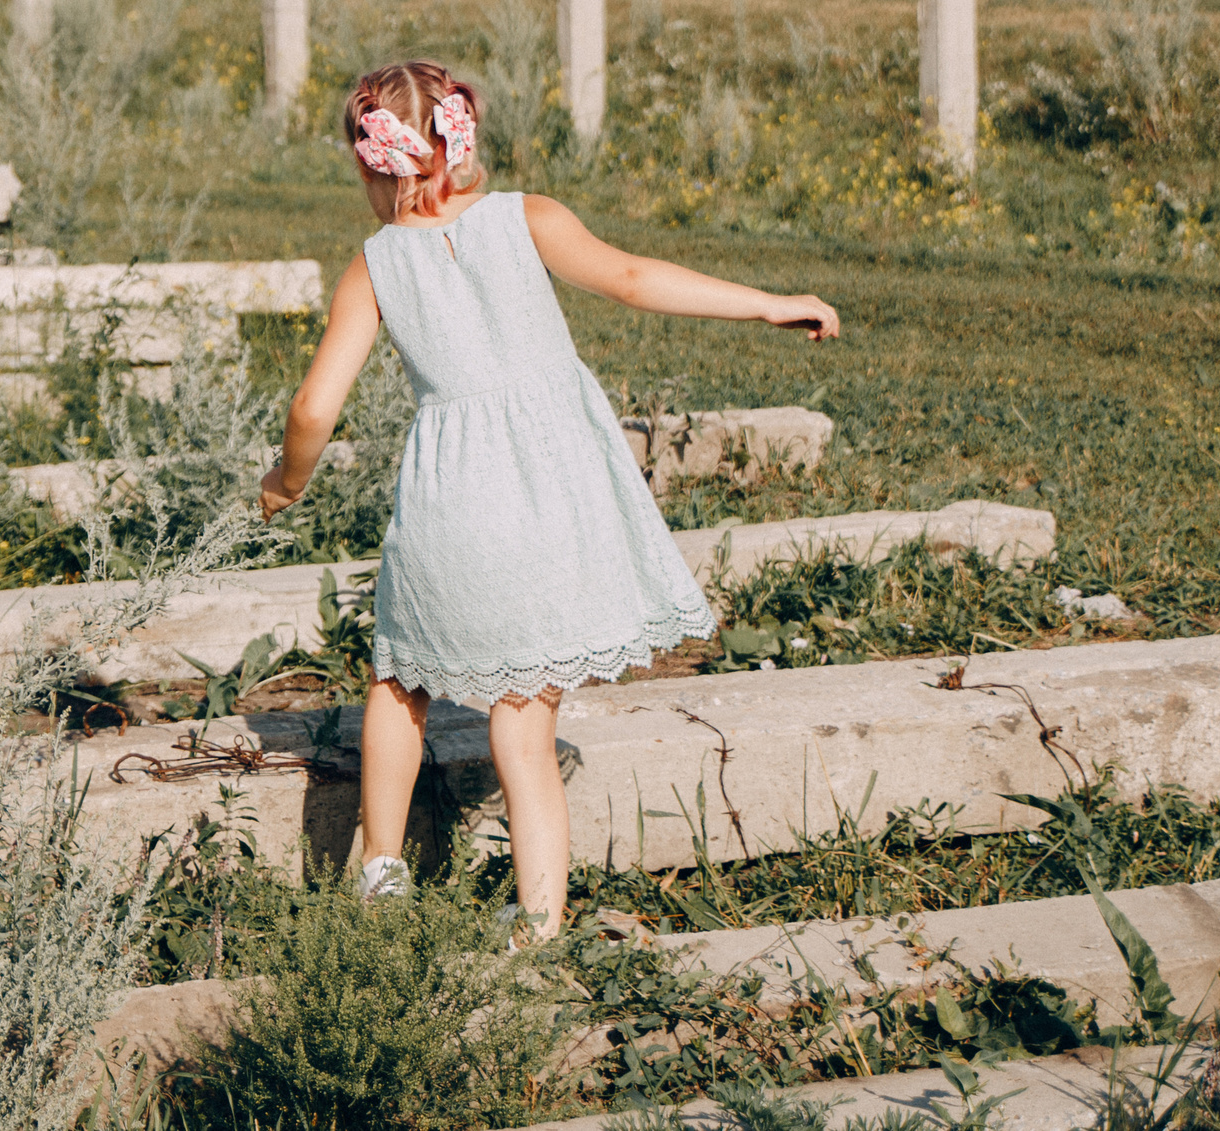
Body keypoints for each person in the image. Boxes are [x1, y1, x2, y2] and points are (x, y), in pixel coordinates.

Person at [258, 60, 840, 943]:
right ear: (462, 135)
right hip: (557, 493)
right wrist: (766, 305)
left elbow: (312, 408)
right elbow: (638, 278)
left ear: (376, 164)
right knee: (523, 727)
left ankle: (381, 865)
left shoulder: (375, 265)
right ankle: (537, 928)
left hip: (453, 499)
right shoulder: (530, 218)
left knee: (399, 680)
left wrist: (285, 482)